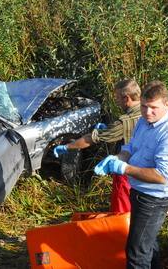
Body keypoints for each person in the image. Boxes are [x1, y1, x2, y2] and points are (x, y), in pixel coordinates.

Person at [94, 81, 168, 268]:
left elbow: (162, 177)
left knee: (137, 253)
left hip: (153, 199)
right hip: (137, 191)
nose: (147, 112)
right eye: (144, 106)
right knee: (147, 242)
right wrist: (118, 158)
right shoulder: (144, 121)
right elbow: (131, 147)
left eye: (153, 108)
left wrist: (123, 168)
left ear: (166, 104)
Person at [53, 79, 141, 213]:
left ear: (126, 98)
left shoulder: (124, 122)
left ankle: (121, 232)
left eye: (117, 97)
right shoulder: (149, 111)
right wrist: (110, 130)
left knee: (122, 210)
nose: (116, 101)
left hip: (127, 170)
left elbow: (91, 139)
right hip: (147, 171)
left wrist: (67, 147)